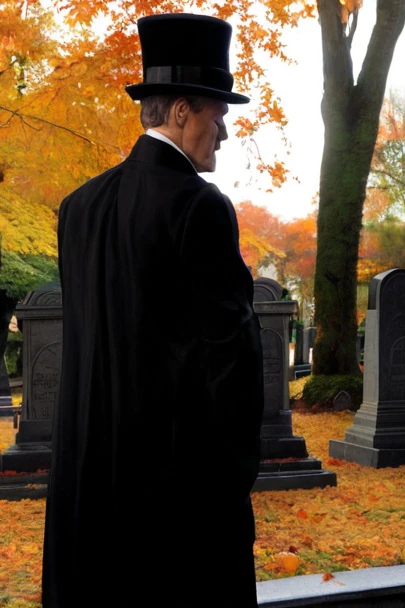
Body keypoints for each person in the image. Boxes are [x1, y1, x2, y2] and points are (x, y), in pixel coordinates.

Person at [42, 12, 264, 608]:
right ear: (183, 110)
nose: (223, 133)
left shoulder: (78, 207)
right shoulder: (199, 206)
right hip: (171, 508)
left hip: (86, 493)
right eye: (218, 115)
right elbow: (230, 363)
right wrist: (233, 479)